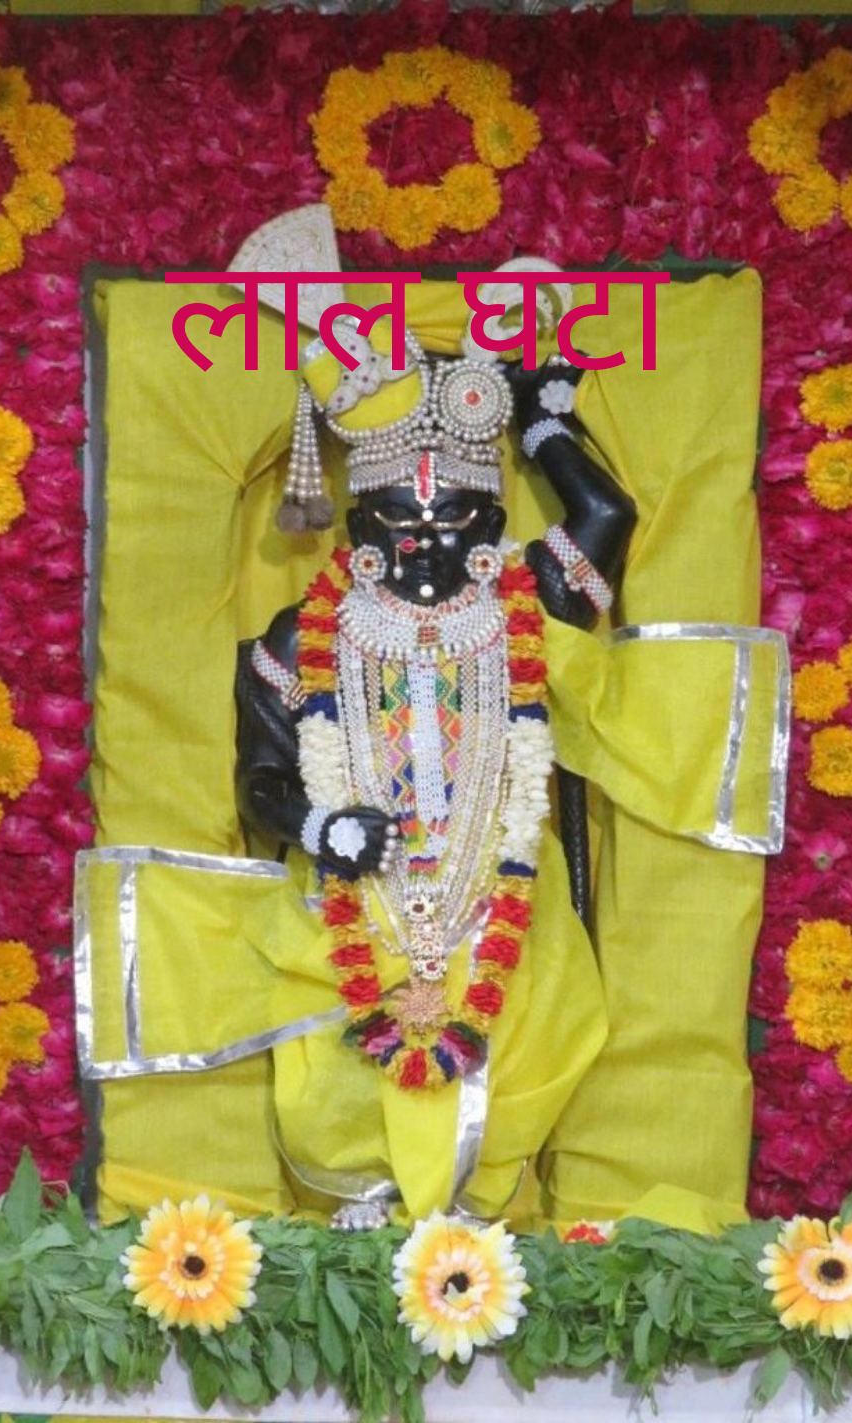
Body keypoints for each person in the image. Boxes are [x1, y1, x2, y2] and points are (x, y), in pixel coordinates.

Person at [234, 328, 635, 1225]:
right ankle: (371, 1190)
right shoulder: (304, 634)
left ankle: (479, 1202)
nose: (423, 540)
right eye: (395, 520)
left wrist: (542, 421)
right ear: (356, 530)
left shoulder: (526, 605)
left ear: (491, 527)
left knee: (530, 1035)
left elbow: (607, 515)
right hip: (354, 895)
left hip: (500, 894)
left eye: (453, 519)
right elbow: (258, 782)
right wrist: (319, 828)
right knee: (331, 1056)